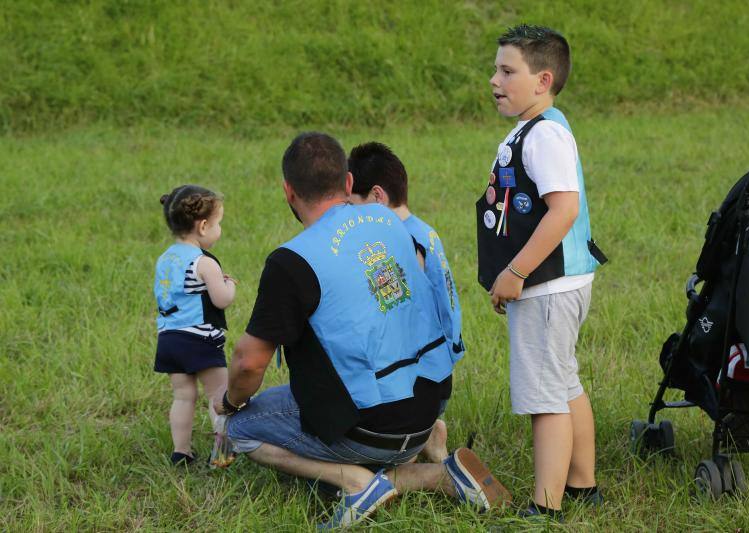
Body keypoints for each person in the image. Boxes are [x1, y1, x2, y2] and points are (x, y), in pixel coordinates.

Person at [215, 132, 511, 528]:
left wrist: (230, 403)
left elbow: (249, 363)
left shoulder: (291, 261)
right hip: (430, 403)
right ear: (349, 183)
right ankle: (427, 466)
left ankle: (357, 480)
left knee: (243, 429)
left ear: (288, 191)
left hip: (371, 427)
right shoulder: (392, 222)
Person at [477, 24, 607, 521]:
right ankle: (582, 485)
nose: (495, 80)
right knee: (564, 382)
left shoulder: (545, 135)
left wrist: (514, 272)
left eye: (508, 71)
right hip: (555, 282)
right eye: (495, 68)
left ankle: (546, 506)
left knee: (544, 397)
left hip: (547, 284)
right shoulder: (537, 125)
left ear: (543, 79)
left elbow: (563, 210)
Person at [348, 141, 464, 463]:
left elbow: (392, 315)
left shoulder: (398, 242)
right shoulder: (423, 230)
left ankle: (421, 438)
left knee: (380, 466)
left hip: (418, 381)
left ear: (376, 196)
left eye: (352, 205)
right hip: (440, 370)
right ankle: (430, 435)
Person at [153, 185, 236, 465]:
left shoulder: (164, 259)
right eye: (218, 223)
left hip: (169, 340)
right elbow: (222, 300)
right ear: (202, 226)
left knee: (183, 396)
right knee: (218, 395)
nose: (219, 229)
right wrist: (228, 284)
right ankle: (223, 452)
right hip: (199, 339)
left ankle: (181, 451)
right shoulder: (203, 262)